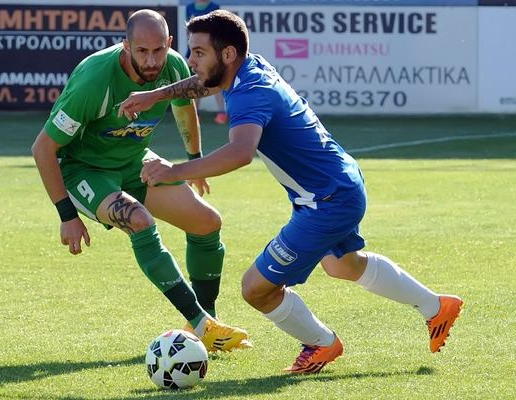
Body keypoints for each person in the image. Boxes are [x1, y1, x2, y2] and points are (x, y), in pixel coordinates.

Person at [118, 9, 464, 374]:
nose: (190, 61)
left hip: (326, 200)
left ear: (228, 54)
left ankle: (322, 344)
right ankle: (435, 307)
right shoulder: (248, 69)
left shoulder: (250, 93)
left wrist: (176, 170)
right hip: (338, 184)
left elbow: (241, 152)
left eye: (199, 52)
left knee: (256, 288)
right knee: (343, 264)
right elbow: (205, 83)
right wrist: (155, 96)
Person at [31, 9, 250, 353]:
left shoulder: (174, 65)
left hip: (134, 163)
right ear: (126, 46)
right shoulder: (95, 80)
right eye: (143, 51)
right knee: (139, 220)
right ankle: (201, 323)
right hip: (84, 170)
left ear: (170, 44)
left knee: (207, 223)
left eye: (159, 50)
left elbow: (184, 105)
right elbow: (43, 148)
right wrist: (67, 216)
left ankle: (207, 323)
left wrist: (195, 160)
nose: (152, 60)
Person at [185, 1, 228, 125]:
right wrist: (192, 49)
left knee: (216, 81)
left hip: (211, 52)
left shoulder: (215, 7)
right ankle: (195, 114)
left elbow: (218, 30)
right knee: (196, 81)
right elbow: (188, 31)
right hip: (196, 51)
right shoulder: (189, 8)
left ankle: (222, 112)